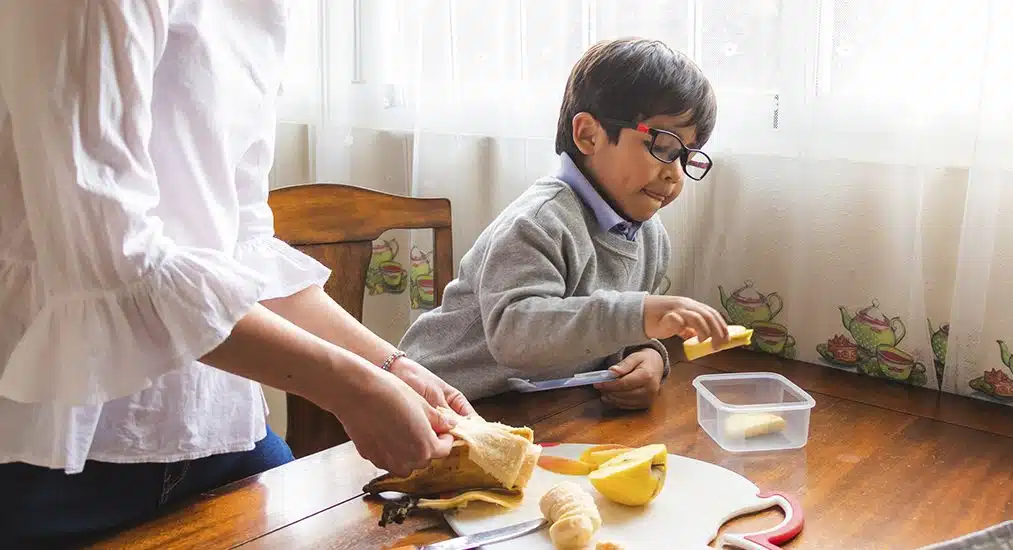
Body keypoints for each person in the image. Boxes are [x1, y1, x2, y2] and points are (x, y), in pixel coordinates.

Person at [0, 1, 472, 547]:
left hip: (213, 428)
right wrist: (354, 388)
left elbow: (246, 250)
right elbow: (115, 260)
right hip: (56, 450)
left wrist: (392, 365)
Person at [399, 38, 729, 409]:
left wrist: (647, 354)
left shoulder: (651, 239)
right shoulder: (538, 223)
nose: (674, 175)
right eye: (663, 147)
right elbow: (515, 335)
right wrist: (638, 314)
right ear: (588, 134)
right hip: (432, 401)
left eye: (686, 156)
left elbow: (602, 332)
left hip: (537, 408)